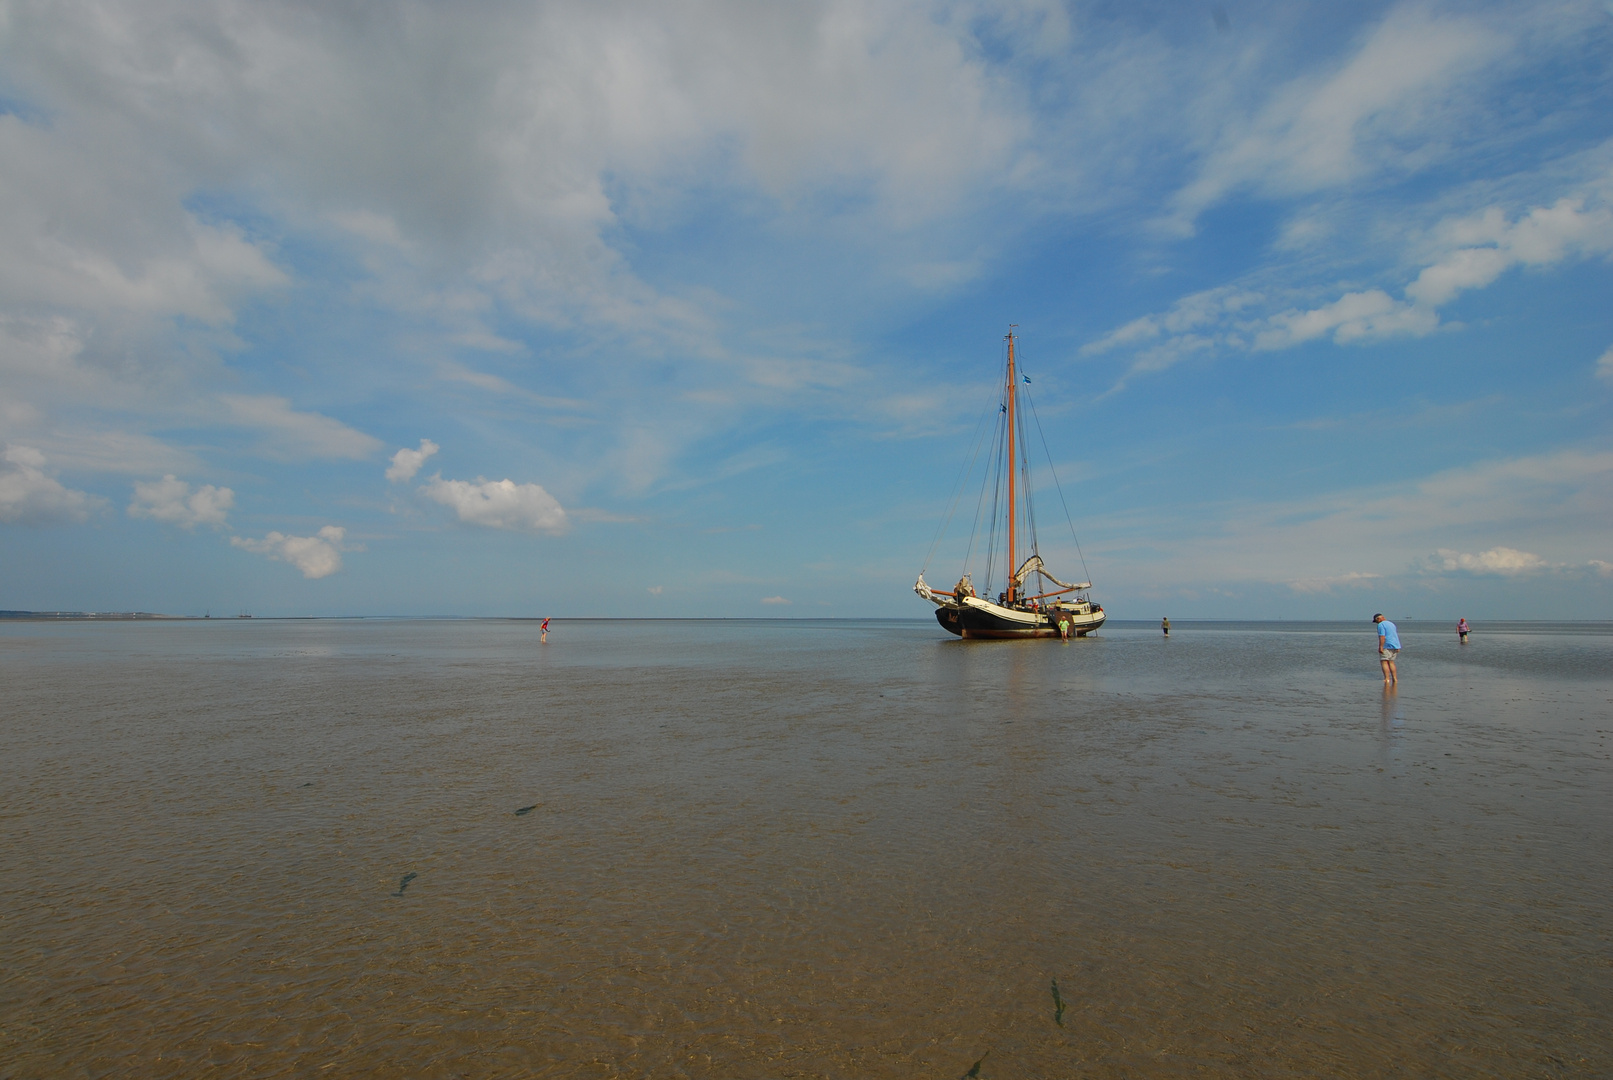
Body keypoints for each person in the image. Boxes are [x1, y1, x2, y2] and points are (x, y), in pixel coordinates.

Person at [1373, 613, 1400, 684]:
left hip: (1387, 645)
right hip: (1395, 645)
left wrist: (1381, 647)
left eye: (1376, 621)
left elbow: (1382, 636)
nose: (1377, 623)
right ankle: (1395, 678)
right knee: (1391, 662)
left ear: (1378, 619)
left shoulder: (1381, 625)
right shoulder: (1391, 624)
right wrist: (1398, 646)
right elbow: (1394, 635)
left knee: (1384, 661)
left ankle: (1387, 679)